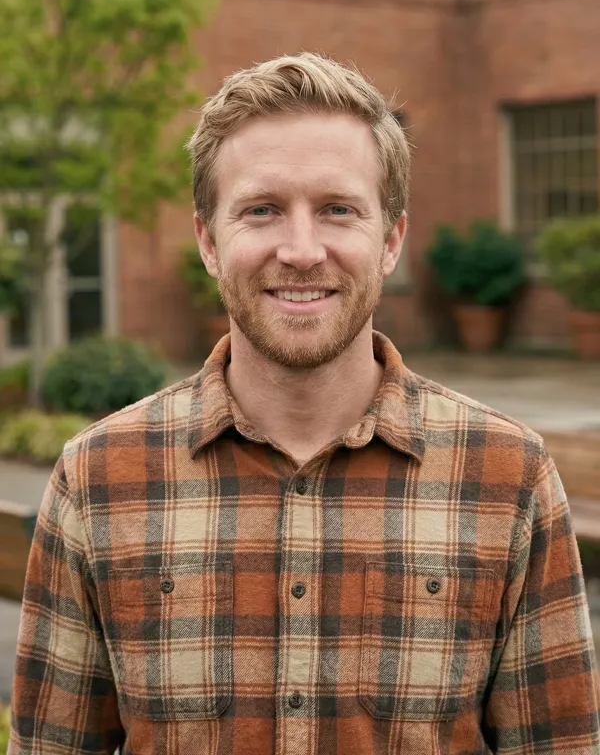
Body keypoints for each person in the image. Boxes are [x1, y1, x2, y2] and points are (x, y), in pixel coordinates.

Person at [9, 53, 600, 755]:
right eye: (262, 210)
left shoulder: (508, 478)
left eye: (337, 210)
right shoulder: (98, 479)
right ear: (208, 241)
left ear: (391, 241)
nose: (300, 250)